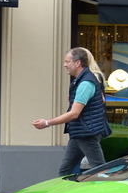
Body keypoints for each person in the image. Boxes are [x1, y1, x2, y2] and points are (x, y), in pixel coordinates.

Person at [32, 47, 110, 176]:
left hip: (86, 134)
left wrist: (46, 123)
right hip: (79, 133)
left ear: (77, 63)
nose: (64, 65)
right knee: (65, 171)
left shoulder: (85, 83)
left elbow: (74, 114)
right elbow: (100, 100)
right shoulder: (87, 79)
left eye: (67, 62)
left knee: (100, 171)